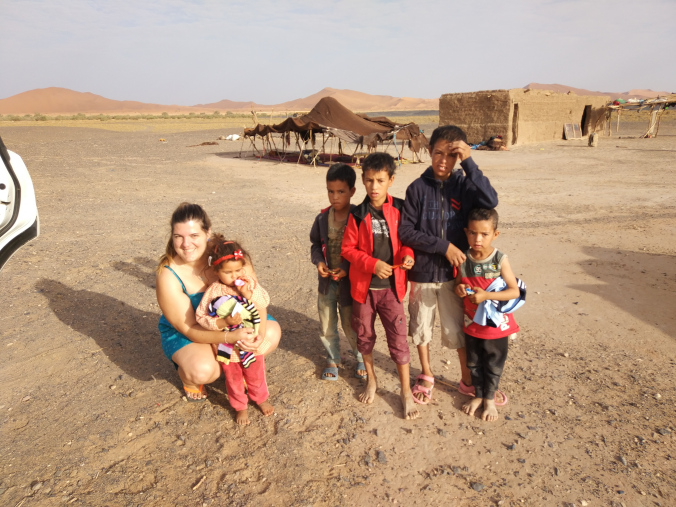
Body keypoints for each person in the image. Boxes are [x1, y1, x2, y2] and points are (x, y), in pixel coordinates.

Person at [399, 125, 499, 406]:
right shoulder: (417, 188)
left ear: (457, 157)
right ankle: (427, 374)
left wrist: (469, 162)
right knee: (421, 328)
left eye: (451, 155)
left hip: (454, 278)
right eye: (438, 153)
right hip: (422, 273)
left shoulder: (464, 186)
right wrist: (444, 246)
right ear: (429, 152)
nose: (443, 160)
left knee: (457, 329)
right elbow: (406, 231)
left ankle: (467, 380)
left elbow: (491, 201)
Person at [156, 202, 281, 402]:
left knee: (271, 334)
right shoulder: (169, 275)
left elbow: (257, 300)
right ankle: (190, 380)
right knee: (204, 369)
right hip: (194, 327)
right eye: (178, 236)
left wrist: (258, 337)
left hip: (237, 318)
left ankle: (242, 364)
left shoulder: (228, 254)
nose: (186, 244)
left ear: (207, 232)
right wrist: (229, 338)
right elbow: (189, 328)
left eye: (194, 236)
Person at [341, 152, 418, 419]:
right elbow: (347, 249)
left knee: (398, 340)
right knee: (365, 338)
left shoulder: (400, 208)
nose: (374, 187)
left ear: (391, 180)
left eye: (380, 180)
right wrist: (372, 264)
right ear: (363, 181)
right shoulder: (357, 214)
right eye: (370, 180)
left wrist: (408, 255)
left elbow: (408, 239)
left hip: (393, 290)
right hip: (364, 291)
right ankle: (371, 380)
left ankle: (405, 391)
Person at [195, 237, 274, 425]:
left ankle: (260, 398)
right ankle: (240, 406)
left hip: (252, 343)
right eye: (228, 272)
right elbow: (201, 317)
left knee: (257, 374)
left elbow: (264, 301)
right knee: (233, 379)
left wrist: (249, 294)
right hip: (228, 349)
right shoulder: (214, 291)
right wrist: (223, 322)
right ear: (217, 272)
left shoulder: (249, 284)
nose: (235, 276)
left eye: (238, 270)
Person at [455, 208, 523, 421]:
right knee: (473, 361)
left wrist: (486, 296)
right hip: (472, 323)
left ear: (495, 234)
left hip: (495, 326)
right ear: (466, 232)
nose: (478, 239)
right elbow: (459, 284)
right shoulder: (462, 258)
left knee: (493, 362)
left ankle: (490, 399)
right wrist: (459, 290)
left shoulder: (500, 259)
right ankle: (478, 394)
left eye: (484, 234)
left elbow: (514, 291)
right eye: (473, 233)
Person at [310, 163, 366, 381]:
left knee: (350, 322)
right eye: (330, 191)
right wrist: (319, 262)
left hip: (350, 284)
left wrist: (347, 268)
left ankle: (360, 356)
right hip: (326, 282)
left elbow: (364, 251)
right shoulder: (322, 219)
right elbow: (315, 244)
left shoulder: (359, 218)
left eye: (341, 191)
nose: (335, 197)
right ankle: (332, 358)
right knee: (326, 322)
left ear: (352, 191)